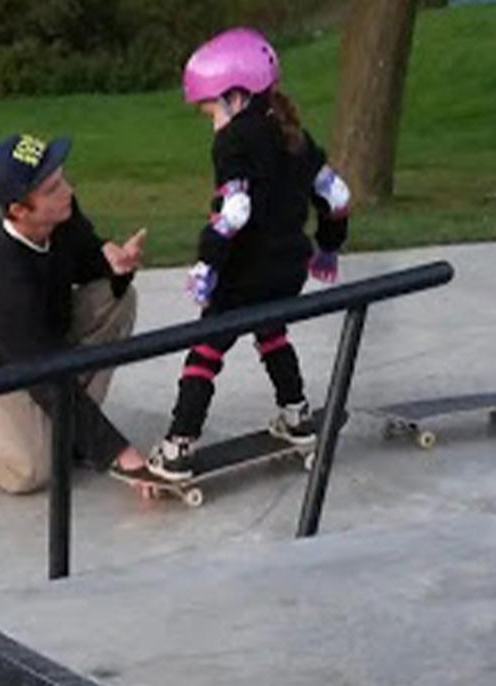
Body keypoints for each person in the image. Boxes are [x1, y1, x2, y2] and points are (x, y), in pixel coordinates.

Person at [149, 27, 352, 481]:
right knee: (271, 332)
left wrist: (207, 265)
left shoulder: (234, 140)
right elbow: (337, 195)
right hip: (287, 269)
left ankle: (179, 446)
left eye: (210, 111)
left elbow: (235, 212)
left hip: (244, 272)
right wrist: (328, 248)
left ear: (236, 96)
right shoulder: (295, 134)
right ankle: (297, 415)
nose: (213, 122)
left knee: (205, 351)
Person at [0, 132, 157, 493]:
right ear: (19, 210)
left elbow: (84, 260)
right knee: (31, 471)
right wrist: (122, 454)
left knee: (116, 299)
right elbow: (46, 376)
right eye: (52, 188)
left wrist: (112, 263)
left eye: (63, 177)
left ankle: (72, 437)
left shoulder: (62, 215)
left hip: (38, 340)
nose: (67, 190)